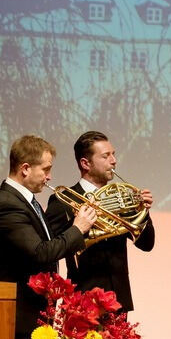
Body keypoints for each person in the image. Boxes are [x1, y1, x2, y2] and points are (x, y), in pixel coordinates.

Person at [0, 135, 97, 339]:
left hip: (34, 313)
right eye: (45, 169)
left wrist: (74, 227)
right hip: (19, 315)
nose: (49, 177)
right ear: (25, 169)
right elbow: (40, 253)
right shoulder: (7, 205)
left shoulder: (26, 202)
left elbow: (48, 242)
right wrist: (78, 229)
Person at [45, 131, 155, 312]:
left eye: (113, 154)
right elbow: (51, 250)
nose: (113, 160)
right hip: (82, 302)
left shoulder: (123, 196)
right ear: (85, 163)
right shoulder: (63, 200)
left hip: (118, 301)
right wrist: (78, 227)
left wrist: (143, 210)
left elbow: (147, 244)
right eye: (106, 156)